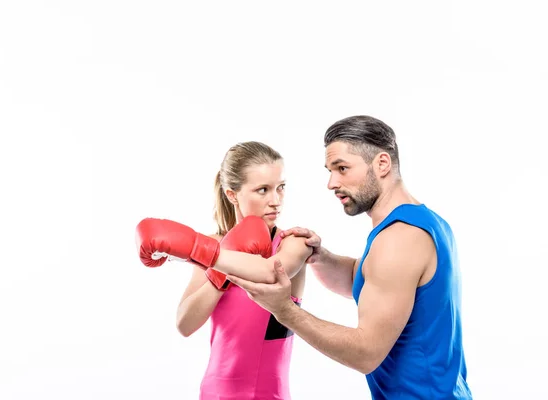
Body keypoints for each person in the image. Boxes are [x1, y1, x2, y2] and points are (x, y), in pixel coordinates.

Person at [227, 116, 473, 399]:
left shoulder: (400, 238)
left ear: (381, 164)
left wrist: (284, 311)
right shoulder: (422, 222)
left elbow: (366, 354)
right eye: (330, 171)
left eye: (342, 168)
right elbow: (368, 280)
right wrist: (321, 257)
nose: (332, 183)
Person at [135, 141, 313, 400]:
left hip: (269, 394)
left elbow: (269, 272)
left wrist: (206, 253)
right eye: (262, 190)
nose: (276, 200)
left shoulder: (292, 243)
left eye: (281, 188)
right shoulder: (215, 246)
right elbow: (185, 324)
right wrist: (217, 272)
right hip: (214, 392)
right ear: (232, 194)